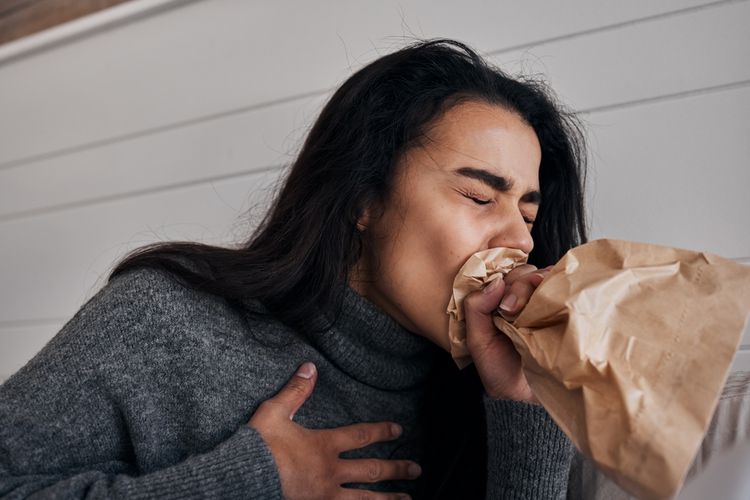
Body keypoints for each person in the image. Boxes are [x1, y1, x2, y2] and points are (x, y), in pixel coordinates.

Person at [0, 39, 587, 499]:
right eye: (480, 198)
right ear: (364, 198)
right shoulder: (164, 320)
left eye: (529, 215)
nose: (517, 241)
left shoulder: (500, 393)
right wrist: (248, 480)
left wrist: (525, 412)